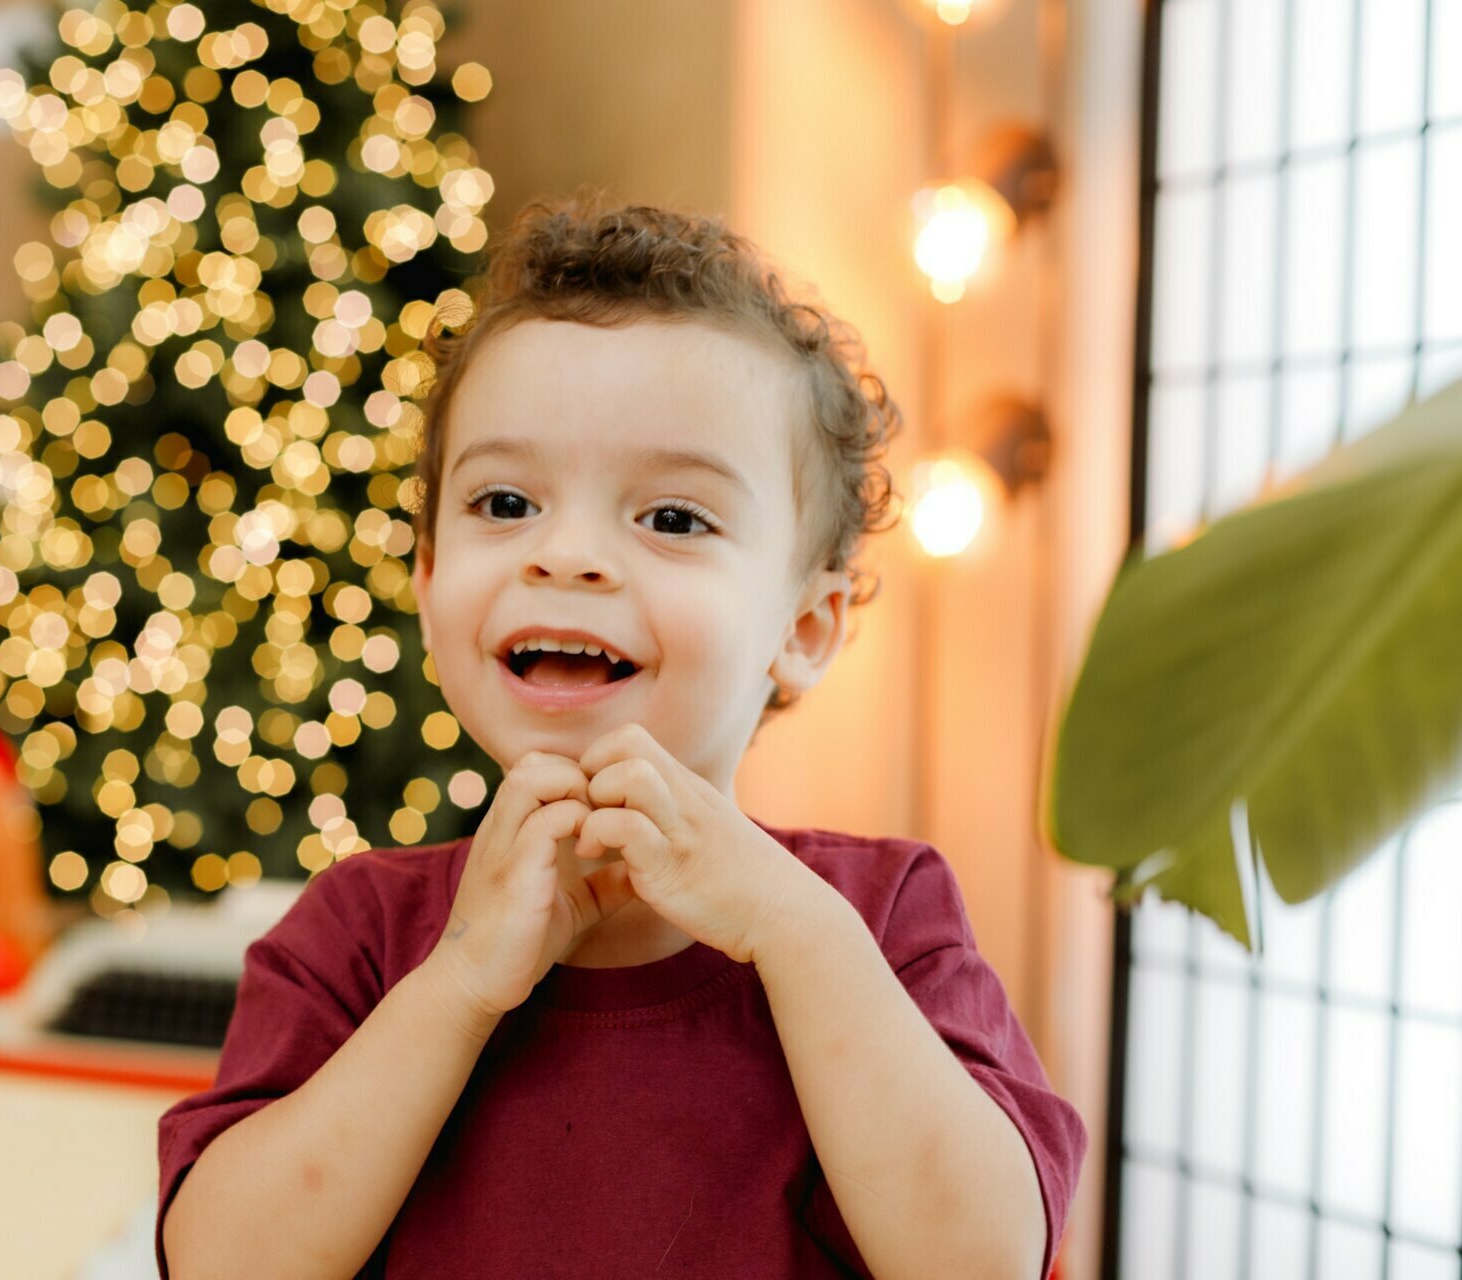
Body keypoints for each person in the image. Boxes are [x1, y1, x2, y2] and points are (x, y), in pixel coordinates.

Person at [155, 191, 1087, 1279]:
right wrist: (459, 984)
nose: (568, 554)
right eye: (505, 503)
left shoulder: (878, 920)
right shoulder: (363, 934)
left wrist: (795, 933)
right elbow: (221, 1260)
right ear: (426, 576)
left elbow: (980, 1258)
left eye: (673, 518)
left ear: (804, 626)